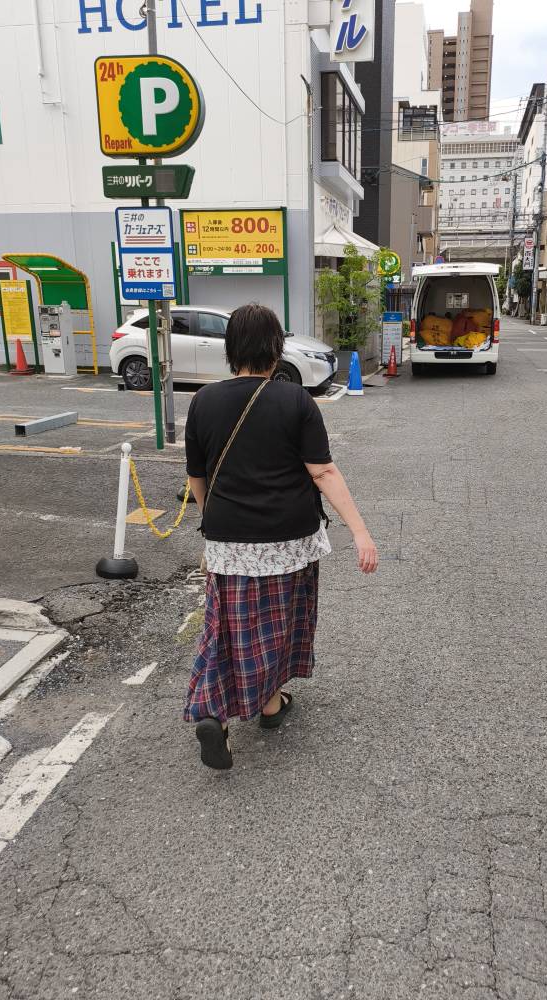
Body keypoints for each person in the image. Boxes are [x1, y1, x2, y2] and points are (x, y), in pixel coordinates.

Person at [183, 303, 378, 770]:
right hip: (289, 541)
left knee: (224, 628)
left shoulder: (203, 401)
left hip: (229, 541)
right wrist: (360, 532)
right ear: (276, 348)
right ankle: (269, 704)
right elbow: (323, 472)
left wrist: (215, 526)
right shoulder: (295, 401)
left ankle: (218, 711)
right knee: (278, 625)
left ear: (231, 349)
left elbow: (196, 479)